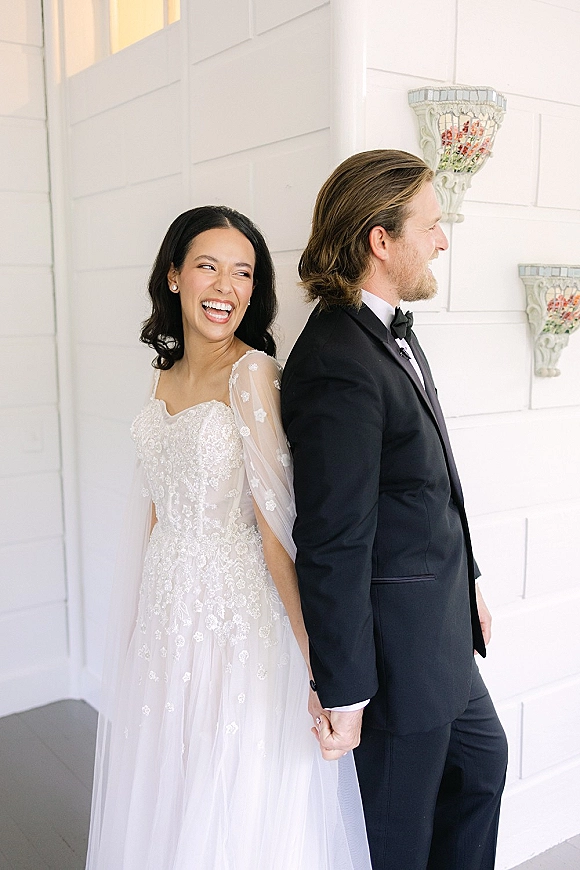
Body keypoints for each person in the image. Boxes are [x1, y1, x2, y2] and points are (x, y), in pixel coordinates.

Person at [85, 206, 371, 869]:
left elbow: (279, 533)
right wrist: (138, 624)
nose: (226, 287)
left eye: (243, 272)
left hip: (235, 622)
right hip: (166, 613)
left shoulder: (253, 375)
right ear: (175, 276)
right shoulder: (163, 373)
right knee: (171, 782)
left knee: (230, 791)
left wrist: (321, 668)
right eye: (208, 266)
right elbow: (158, 509)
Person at [281, 150, 508, 870]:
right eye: (433, 224)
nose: (443, 239)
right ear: (381, 240)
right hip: (396, 658)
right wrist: (342, 691)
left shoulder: (386, 332)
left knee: (482, 767)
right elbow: (332, 538)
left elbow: (429, 481)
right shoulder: (335, 361)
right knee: (399, 839)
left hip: (441, 629)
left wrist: (467, 577)